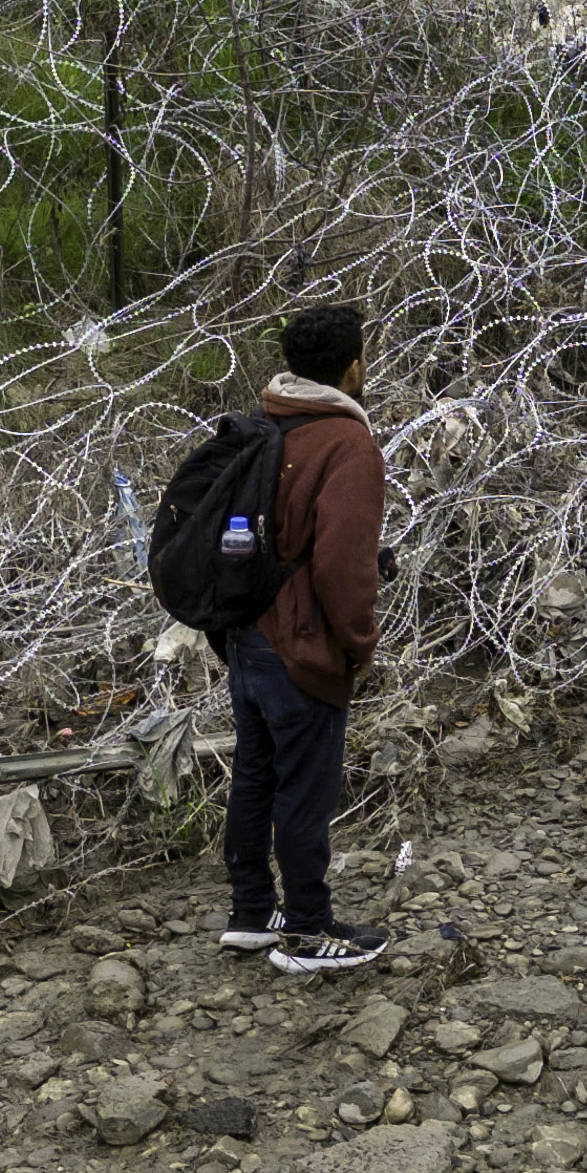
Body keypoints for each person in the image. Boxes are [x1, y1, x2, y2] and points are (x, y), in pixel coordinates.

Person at [221, 303, 391, 975]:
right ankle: (310, 930)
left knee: (256, 776)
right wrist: (358, 645)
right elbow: (340, 567)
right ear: (354, 367)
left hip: (246, 631)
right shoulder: (348, 444)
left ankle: (250, 913)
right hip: (302, 643)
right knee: (305, 789)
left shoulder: (266, 422)